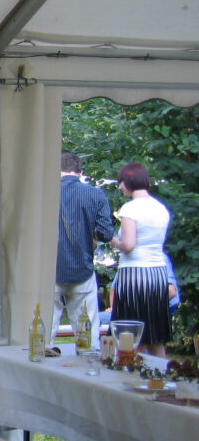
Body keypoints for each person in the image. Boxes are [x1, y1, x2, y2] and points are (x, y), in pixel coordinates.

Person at [51, 152, 114, 350]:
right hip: (82, 270)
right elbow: (106, 233)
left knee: (43, 335)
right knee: (87, 336)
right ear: (80, 172)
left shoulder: (44, 194)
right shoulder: (95, 194)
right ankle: (88, 372)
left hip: (49, 271)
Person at [109, 162, 171, 357]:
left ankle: (123, 377)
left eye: (120, 182)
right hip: (158, 274)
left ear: (128, 182)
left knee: (127, 333)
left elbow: (128, 245)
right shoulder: (161, 208)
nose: (119, 187)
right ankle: (161, 376)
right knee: (155, 335)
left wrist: (113, 241)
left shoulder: (130, 209)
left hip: (134, 275)